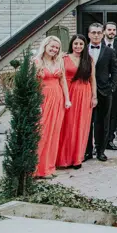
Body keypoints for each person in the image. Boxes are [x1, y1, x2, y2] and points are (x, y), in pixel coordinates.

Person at [34, 36, 71, 178]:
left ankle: (49, 167)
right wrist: (36, 103)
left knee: (54, 134)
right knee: (42, 133)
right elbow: (33, 84)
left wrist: (67, 99)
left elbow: (63, 82)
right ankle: (38, 169)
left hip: (58, 99)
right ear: (45, 45)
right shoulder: (36, 62)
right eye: (52, 46)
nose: (54, 49)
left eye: (57, 47)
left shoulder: (59, 61)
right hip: (44, 99)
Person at [57, 35, 95, 170]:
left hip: (85, 93)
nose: (78, 46)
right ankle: (64, 159)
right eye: (75, 44)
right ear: (71, 45)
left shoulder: (88, 60)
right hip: (68, 93)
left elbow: (92, 79)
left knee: (81, 126)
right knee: (67, 125)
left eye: (81, 44)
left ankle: (77, 158)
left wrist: (94, 97)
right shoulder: (63, 58)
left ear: (84, 45)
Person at [84, 23, 117, 162]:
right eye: (93, 32)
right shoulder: (83, 50)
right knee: (87, 123)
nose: (96, 35)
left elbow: (115, 70)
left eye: (99, 32)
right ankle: (87, 151)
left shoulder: (109, 51)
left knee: (103, 123)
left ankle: (100, 151)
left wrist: (111, 86)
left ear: (103, 34)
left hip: (105, 91)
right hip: (86, 92)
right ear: (89, 34)